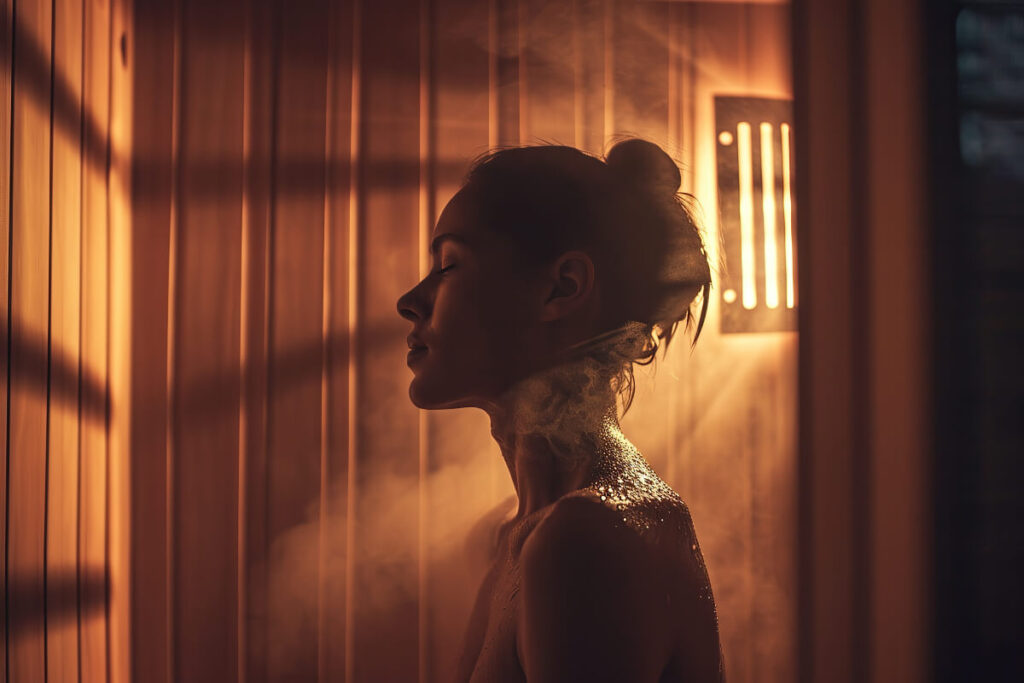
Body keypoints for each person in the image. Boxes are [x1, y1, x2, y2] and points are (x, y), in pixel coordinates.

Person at [396, 139, 724, 683]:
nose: (411, 299)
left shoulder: (584, 538)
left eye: (449, 265)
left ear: (562, 288)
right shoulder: (520, 531)